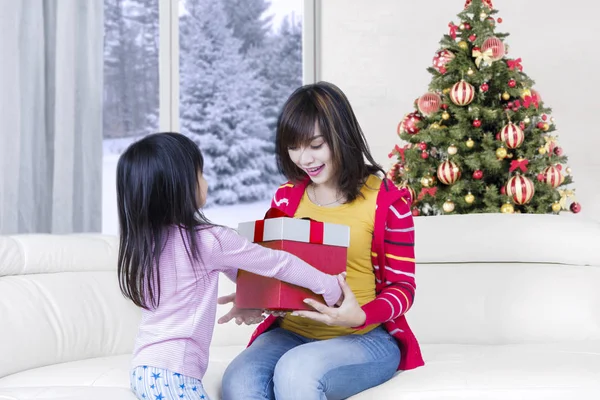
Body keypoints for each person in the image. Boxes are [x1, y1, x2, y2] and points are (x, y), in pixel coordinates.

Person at [220, 82, 424, 400]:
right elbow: (275, 269)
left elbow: (403, 288)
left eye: (316, 145)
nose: (304, 158)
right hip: (292, 334)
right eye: (294, 146)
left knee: (296, 373)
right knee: (239, 383)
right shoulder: (286, 199)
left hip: (365, 336)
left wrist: (361, 316)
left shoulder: (386, 201)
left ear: (341, 137)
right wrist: (255, 296)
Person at [115, 132, 343, 400]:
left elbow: (240, 274)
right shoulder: (208, 240)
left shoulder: (146, 243)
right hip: (174, 374)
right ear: (180, 186)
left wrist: (249, 300)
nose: (205, 181)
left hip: (145, 368)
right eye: (200, 173)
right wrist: (328, 286)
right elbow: (277, 263)